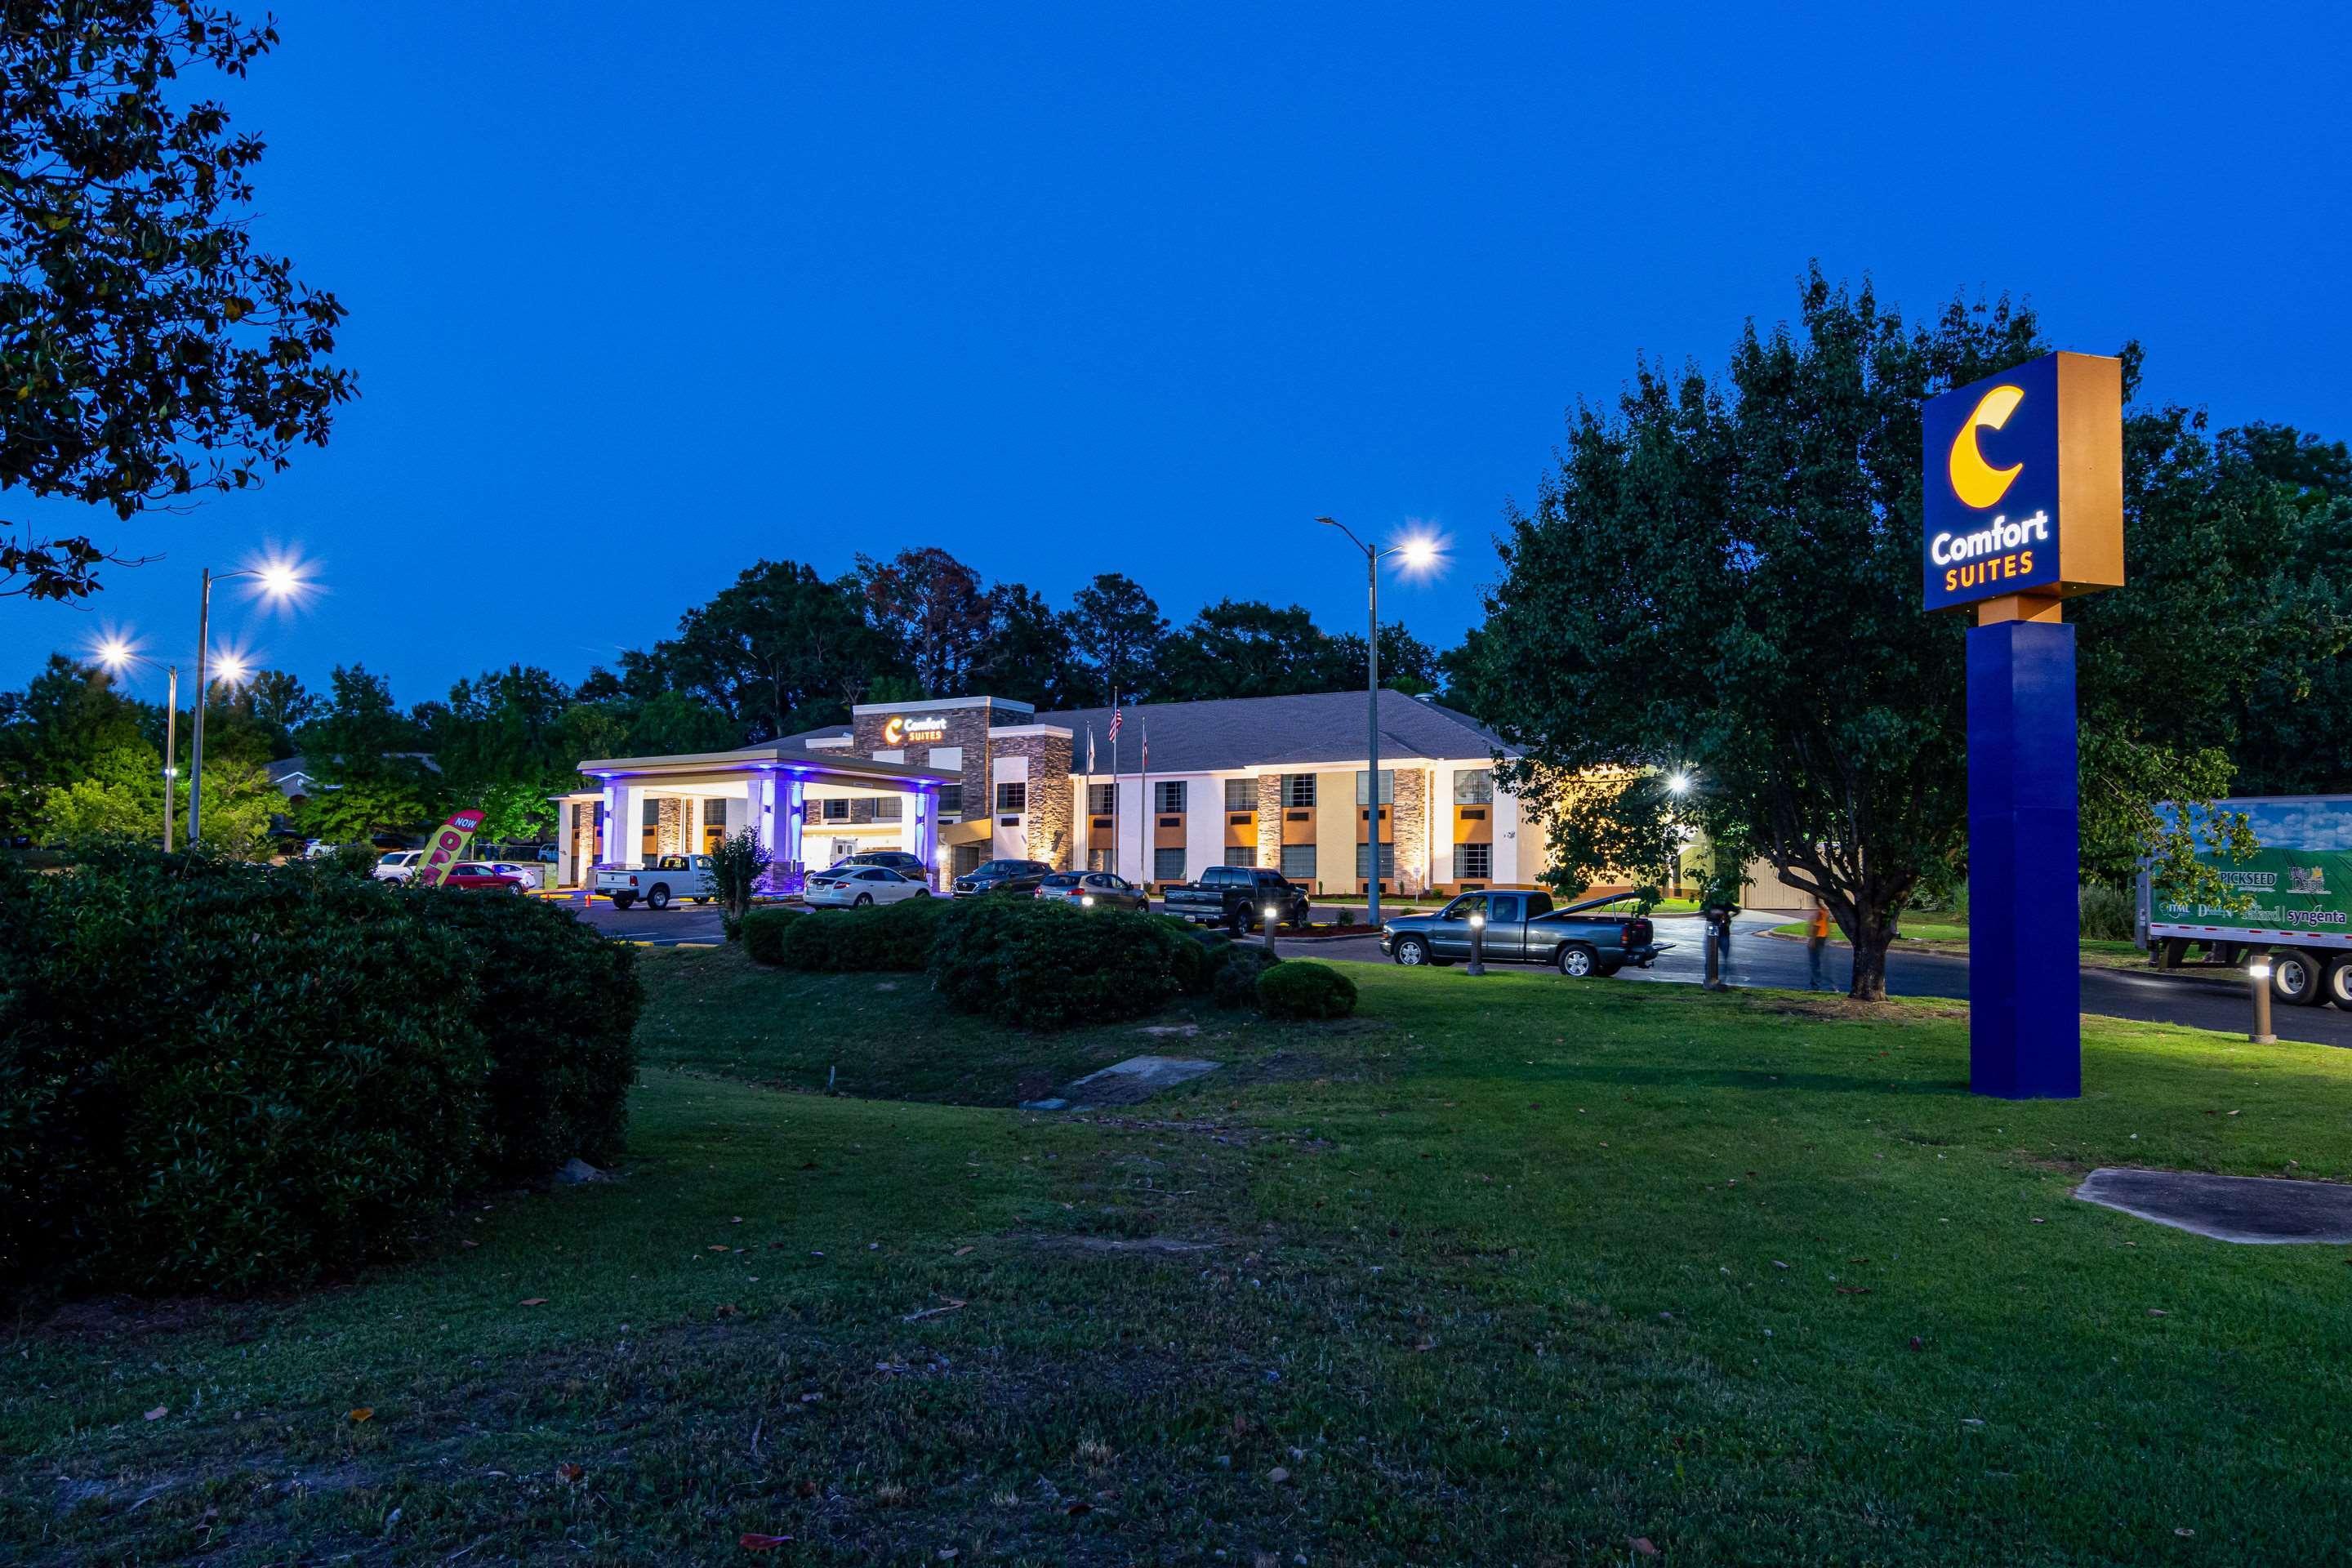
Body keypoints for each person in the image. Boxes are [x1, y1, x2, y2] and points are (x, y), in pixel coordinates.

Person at [1807, 898, 1833, 991]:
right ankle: (1814, 983)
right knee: (1817, 962)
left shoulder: (1820, 912)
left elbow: (1816, 926)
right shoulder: (1825, 910)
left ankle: (1816, 986)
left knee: (1815, 963)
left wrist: (1812, 940)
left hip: (1818, 938)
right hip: (1823, 938)